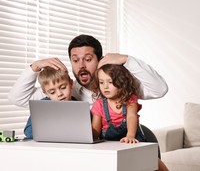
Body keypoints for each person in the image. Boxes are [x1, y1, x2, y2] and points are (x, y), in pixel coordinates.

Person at [8, 34, 168, 144]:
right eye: (75, 60)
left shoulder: (117, 86)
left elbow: (159, 89)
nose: (81, 66)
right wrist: (35, 67)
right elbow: (17, 98)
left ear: (100, 60)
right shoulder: (67, 90)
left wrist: (126, 59)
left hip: (124, 144)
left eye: (88, 59)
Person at [90, 64, 169, 171]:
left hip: (133, 141)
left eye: (110, 82)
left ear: (121, 82)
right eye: (101, 82)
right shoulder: (99, 105)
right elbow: (95, 130)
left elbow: (132, 117)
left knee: (152, 159)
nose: (105, 86)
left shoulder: (130, 100)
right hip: (111, 147)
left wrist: (130, 136)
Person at [24, 67, 76, 139]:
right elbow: (28, 130)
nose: (59, 94)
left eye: (63, 87)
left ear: (71, 83)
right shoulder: (41, 106)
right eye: (52, 92)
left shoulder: (79, 106)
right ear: (46, 93)